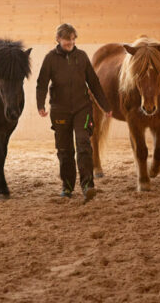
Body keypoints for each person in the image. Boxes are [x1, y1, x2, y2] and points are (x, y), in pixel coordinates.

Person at [36, 23, 112, 202]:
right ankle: (67, 186)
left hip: (82, 109)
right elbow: (42, 83)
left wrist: (105, 106)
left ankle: (88, 185)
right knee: (64, 150)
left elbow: (93, 82)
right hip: (60, 111)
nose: (70, 42)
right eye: (66, 39)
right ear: (58, 39)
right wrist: (40, 105)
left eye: (72, 39)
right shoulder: (50, 59)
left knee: (84, 144)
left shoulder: (82, 57)